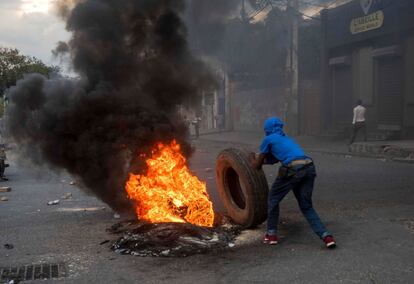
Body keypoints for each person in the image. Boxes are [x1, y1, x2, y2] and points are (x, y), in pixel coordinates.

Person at [250, 117, 336, 248]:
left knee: (273, 199)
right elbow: (274, 159)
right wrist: (263, 159)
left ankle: (271, 234)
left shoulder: (268, 139)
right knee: (306, 206)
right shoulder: (286, 139)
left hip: (292, 169)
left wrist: (252, 159)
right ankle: (326, 236)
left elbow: (257, 165)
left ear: (267, 129)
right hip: (308, 167)